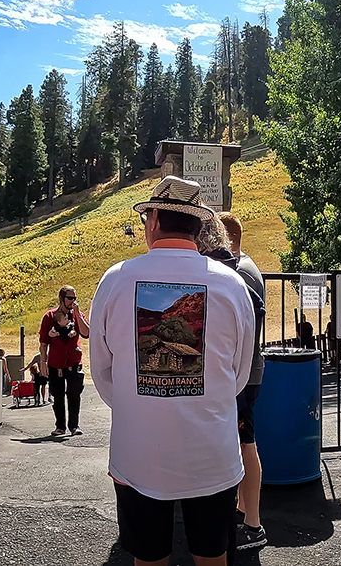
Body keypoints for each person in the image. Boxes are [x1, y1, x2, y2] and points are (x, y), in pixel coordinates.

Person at [91, 176, 255, 566]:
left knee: (149, 559)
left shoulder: (115, 280)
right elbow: (239, 373)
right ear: (198, 228)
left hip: (138, 453)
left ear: (152, 220)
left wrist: (139, 403)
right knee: (213, 558)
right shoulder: (232, 285)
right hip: (211, 454)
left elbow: (102, 371)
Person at [210, 211, 268, 550]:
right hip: (247, 372)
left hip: (242, 375)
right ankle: (244, 511)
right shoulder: (246, 267)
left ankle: (253, 524)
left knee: (244, 443)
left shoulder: (240, 275)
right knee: (243, 440)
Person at [40, 286, 90, 436]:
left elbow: (87, 333)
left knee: (74, 394)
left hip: (74, 363)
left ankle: (74, 426)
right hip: (56, 363)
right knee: (58, 396)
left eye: (74, 298)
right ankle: (60, 426)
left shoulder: (77, 315)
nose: (73, 301)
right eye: (70, 298)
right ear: (62, 298)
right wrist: (43, 361)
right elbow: (43, 342)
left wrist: (77, 314)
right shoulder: (50, 316)